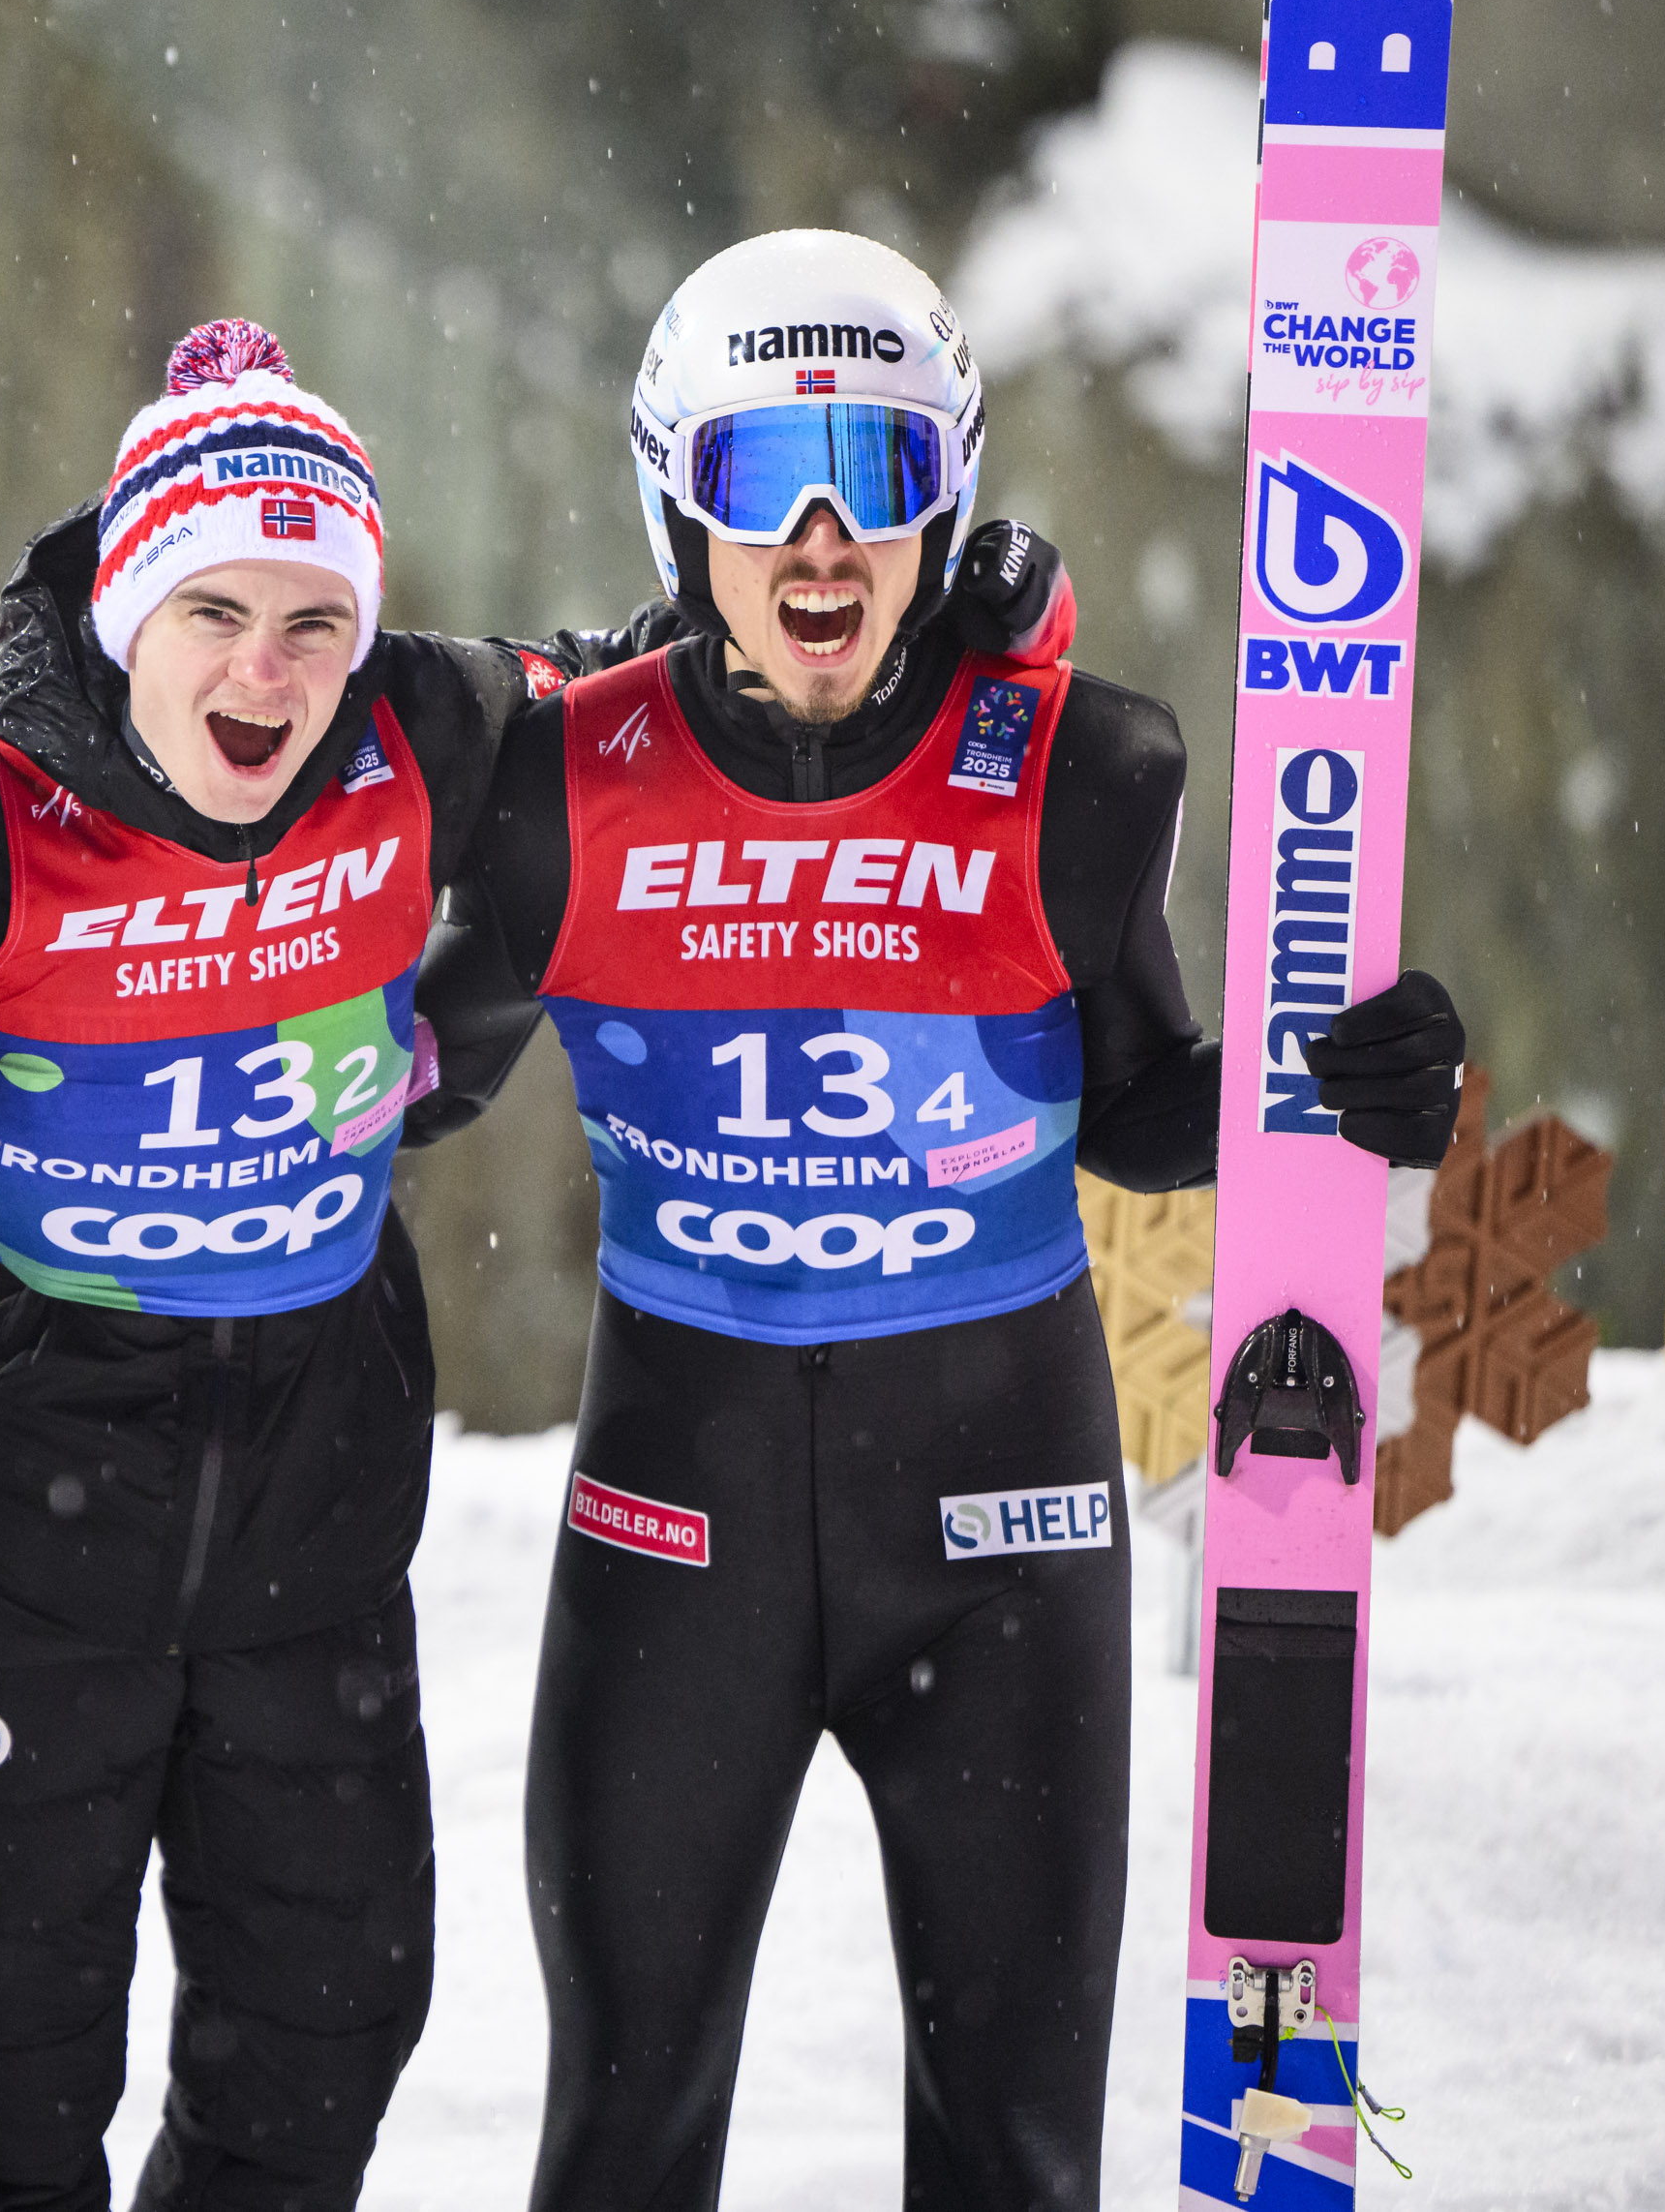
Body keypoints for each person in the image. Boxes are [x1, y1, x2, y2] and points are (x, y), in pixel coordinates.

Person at [0, 315, 1070, 2212]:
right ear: (122, 614)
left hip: (304, 1557)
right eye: (211, 613)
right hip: (13, 1560)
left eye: (311, 619)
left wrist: (979, 637)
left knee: (324, 2038)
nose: (264, 669)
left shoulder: (431, 733)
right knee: (7, 2092)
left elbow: (697, 664)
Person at [473, 228, 1467, 2211]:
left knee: (1014, 2154)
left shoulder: (1087, 769)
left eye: (879, 467)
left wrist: (1343, 1083)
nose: (823, 538)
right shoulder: (552, 778)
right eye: (764, 477)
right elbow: (369, 1042)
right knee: (616, 2134)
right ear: (676, 502)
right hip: (675, 1534)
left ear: (954, 489)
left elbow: (1127, 1103)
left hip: (1001, 1533)